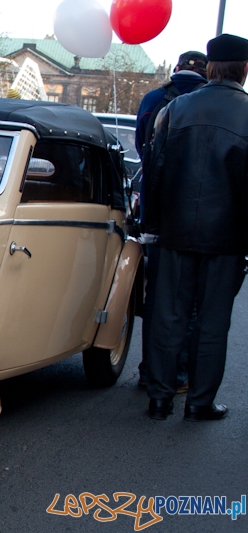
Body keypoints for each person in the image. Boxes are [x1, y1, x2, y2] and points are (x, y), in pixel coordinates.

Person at [142, 34, 248, 421]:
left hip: (174, 229)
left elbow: (153, 171)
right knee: (212, 322)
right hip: (228, 237)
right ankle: (200, 401)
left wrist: (150, 225)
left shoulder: (175, 109)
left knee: (167, 316)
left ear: (211, 67)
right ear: (245, 69)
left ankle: (159, 397)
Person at [135, 50, 208, 396]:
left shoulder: (155, 100)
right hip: (200, 220)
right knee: (190, 303)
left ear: (176, 69)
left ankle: (150, 371)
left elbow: (143, 151)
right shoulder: (207, 105)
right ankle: (178, 375)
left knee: (158, 300)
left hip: (159, 217)